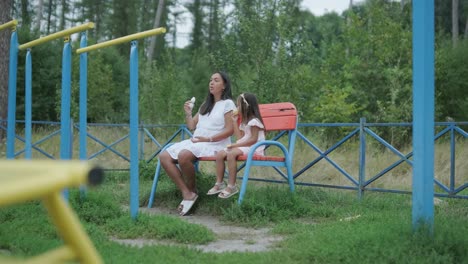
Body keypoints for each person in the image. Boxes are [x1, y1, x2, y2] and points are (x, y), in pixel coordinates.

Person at [159, 71, 236, 216]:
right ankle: (187, 192)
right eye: (210, 80)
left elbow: (230, 130)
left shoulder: (227, 104)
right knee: (164, 156)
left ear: (224, 85)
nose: (211, 83)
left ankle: (193, 189)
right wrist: (188, 113)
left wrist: (207, 139)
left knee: (184, 155)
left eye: (216, 80)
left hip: (216, 143)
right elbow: (192, 126)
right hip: (198, 142)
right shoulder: (205, 105)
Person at [207, 93, 266, 199]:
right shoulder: (244, 122)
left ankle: (232, 185)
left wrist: (236, 145)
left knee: (231, 153)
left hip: (255, 148)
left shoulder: (254, 121)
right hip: (246, 146)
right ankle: (219, 183)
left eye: (238, 105)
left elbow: (253, 140)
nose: (237, 108)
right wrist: (234, 122)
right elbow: (240, 137)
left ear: (245, 107)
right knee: (220, 154)